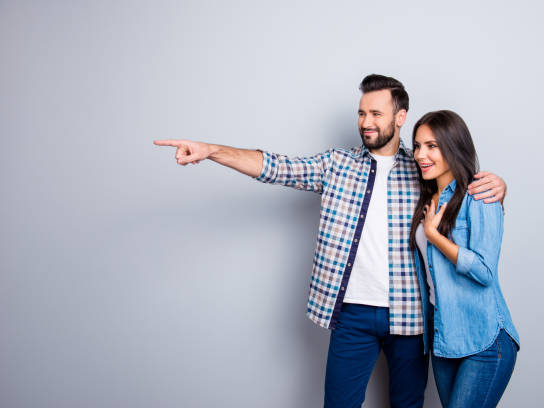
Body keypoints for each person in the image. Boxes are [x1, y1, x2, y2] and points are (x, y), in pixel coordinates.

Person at [154, 75, 507, 408]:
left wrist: (497, 185)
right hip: (352, 313)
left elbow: (459, 187)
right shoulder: (337, 164)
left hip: (412, 317)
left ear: (400, 117)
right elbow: (277, 166)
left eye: (376, 113)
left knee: (407, 404)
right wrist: (212, 150)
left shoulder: (421, 167)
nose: (366, 121)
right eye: (361, 113)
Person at [409, 110, 519, 408]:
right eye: (417, 146)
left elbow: (484, 271)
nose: (421, 154)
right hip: (445, 340)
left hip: (484, 338)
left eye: (432, 146)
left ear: (453, 146)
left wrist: (435, 237)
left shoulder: (479, 195)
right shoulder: (425, 198)